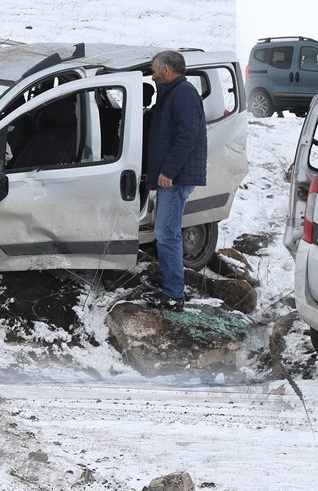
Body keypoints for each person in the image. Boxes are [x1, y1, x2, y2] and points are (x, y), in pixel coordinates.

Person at [142, 50, 207, 312]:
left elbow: (186, 137)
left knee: (166, 233)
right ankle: (171, 281)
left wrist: (168, 171)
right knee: (166, 232)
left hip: (176, 178)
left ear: (166, 70)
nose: (153, 74)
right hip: (173, 176)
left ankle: (173, 294)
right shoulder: (173, 93)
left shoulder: (184, 95)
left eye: (154, 69)